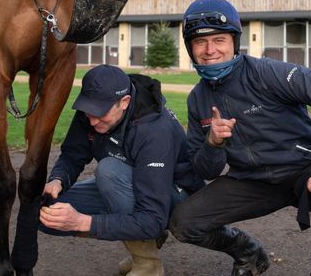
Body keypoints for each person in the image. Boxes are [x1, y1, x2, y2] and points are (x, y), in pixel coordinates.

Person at [168, 0, 311, 276]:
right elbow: (205, 169)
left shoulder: (266, 73)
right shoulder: (197, 99)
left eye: (219, 40)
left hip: (303, 172)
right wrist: (213, 143)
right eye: (200, 42)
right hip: (251, 181)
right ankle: (247, 252)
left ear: (234, 41)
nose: (210, 50)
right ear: (190, 47)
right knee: (184, 223)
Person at [40, 64, 203, 276]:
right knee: (47, 210)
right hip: (126, 184)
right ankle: (142, 239)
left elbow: (153, 217)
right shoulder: (94, 110)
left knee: (108, 171)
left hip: (173, 196)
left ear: (124, 102)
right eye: (88, 112)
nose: (93, 121)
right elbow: (73, 154)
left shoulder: (154, 130)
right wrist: (58, 179)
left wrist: (82, 222)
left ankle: (147, 264)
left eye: (100, 114)